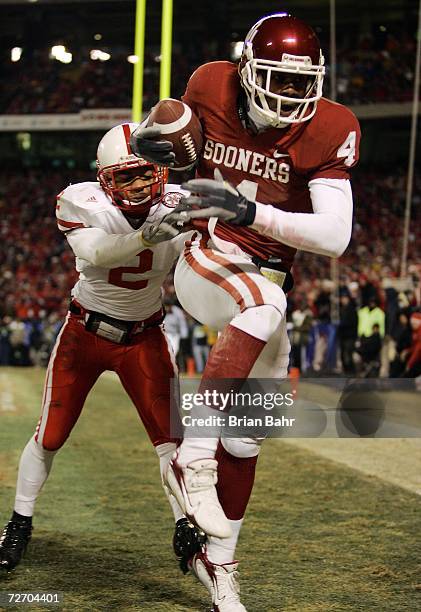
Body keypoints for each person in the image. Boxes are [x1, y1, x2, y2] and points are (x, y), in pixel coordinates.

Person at [132, 13, 360, 611]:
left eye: (298, 81)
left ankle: (221, 568)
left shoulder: (331, 126)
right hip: (210, 257)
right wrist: (159, 160)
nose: (288, 94)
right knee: (265, 303)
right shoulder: (210, 85)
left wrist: (250, 212)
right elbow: (171, 154)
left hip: (265, 279)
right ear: (245, 68)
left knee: (249, 438)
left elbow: (335, 235)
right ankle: (191, 456)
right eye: (275, 78)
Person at [0, 123, 212, 575]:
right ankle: (19, 522)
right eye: (124, 176)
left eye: (144, 173)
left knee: (170, 442)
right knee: (50, 433)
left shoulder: (183, 201)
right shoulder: (79, 202)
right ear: (103, 180)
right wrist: (150, 236)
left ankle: (185, 523)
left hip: (145, 335)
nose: (136, 185)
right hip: (86, 333)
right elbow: (98, 253)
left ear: (161, 170)